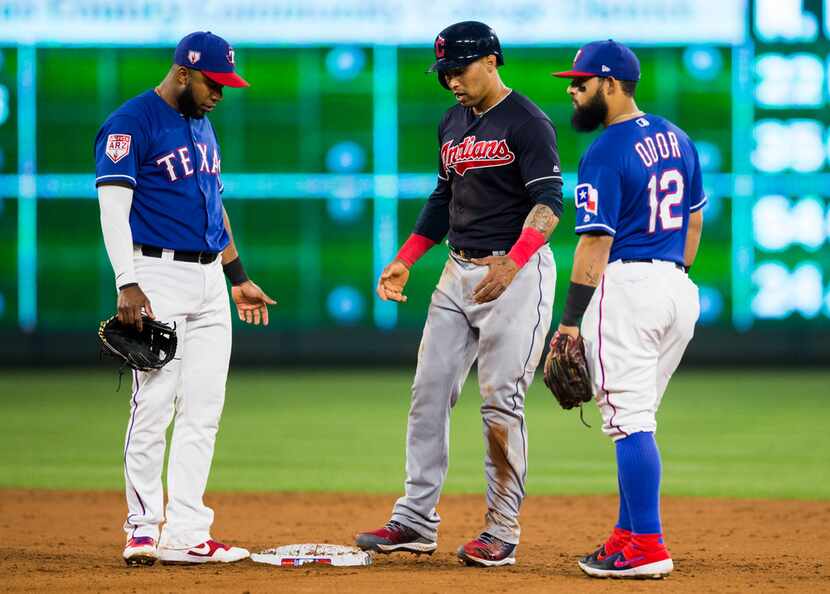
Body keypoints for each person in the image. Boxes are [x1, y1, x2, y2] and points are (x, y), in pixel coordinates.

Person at [355, 21, 564, 567]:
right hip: (457, 273)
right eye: (444, 71)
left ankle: (502, 529)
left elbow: (550, 205)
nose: (451, 80)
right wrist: (404, 260)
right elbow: (442, 197)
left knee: (500, 401)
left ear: (492, 61)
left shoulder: (528, 122)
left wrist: (514, 264)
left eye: (460, 68)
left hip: (514, 274)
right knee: (428, 392)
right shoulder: (452, 121)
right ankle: (416, 519)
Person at [94, 31, 276, 566]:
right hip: (155, 275)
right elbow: (112, 209)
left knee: (203, 410)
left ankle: (188, 531)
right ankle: (143, 529)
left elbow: (213, 206)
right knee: (154, 404)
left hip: (209, 281)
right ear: (182, 73)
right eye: (212, 82)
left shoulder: (202, 125)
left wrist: (237, 275)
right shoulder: (131, 123)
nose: (220, 92)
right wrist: (127, 281)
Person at [549, 40, 705, 579]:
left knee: (629, 421)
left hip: (628, 289)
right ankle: (628, 533)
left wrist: (568, 322)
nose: (572, 90)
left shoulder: (605, 151)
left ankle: (648, 546)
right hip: (677, 290)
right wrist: (674, 274)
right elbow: (694, 219)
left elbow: (593, 245)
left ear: (611, 84)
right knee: (634, 420)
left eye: (582, 82)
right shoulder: (676, 137)